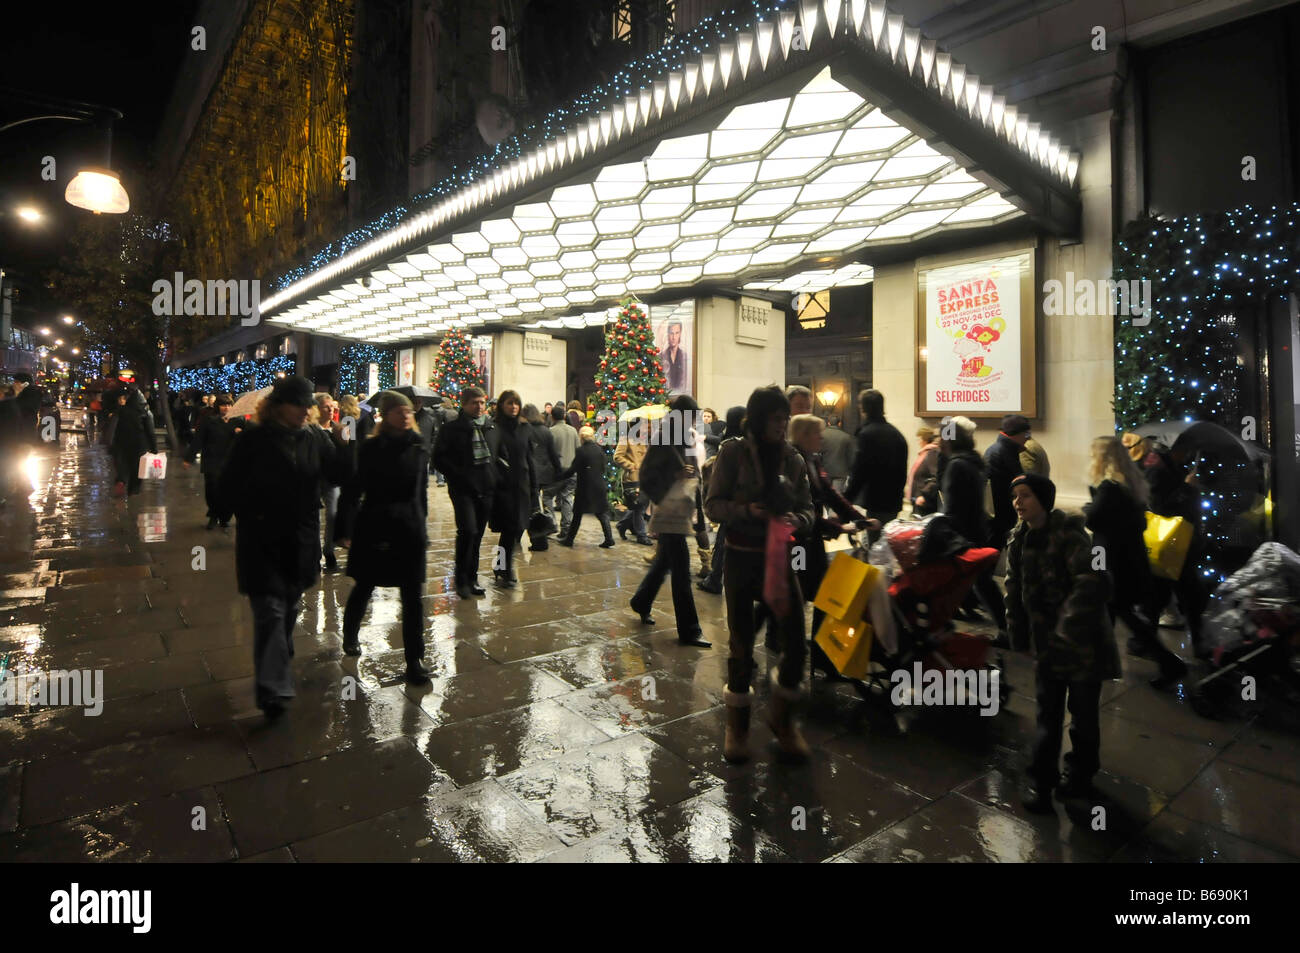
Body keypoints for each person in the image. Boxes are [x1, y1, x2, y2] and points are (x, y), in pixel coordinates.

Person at [216, 375, 352, 717]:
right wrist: (239, 505)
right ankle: (272, 689)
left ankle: (279, 651)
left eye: (309, 405)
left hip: (299, 538)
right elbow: (228, 485)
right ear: (278, 407)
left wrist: (344, 446)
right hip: (261, 540)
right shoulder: (253, 440)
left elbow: (339, 476)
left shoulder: (317, 438)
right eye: (300, 405)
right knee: (271, 612)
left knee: (289, 608)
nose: (307, 411)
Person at [707, 386, 815, 763]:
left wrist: (795, 520)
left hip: (781, 558)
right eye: (775, 418)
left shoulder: (793, 458)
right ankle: (736, 727)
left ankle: (782, 720)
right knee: (740, 644)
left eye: (785, 418)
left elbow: (809, 510)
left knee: (796, 644)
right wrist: (748, 511)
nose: (782, 425)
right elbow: (713, 505)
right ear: (757, 418)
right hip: (741, 557)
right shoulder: (733, 453)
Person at [1005, 473, 1121, 812]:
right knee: (1047, 714)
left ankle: (1080, 777)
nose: (1018, 502)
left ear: (1043, 499)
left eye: (1025, 495)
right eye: (1015, 497)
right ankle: (1041, 781)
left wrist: (1064, 630)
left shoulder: (1072, 535)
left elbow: (1093, 583)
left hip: (1084, 645)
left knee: (1083, 716)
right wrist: (1019, 636)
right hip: (1048, 646)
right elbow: (1014, 592)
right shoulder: (1019, 539)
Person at [334, 391, 431, 683]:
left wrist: (422, 525)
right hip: (375, 526)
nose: (405, 415)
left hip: (410, 529)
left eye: (408, 412)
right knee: (365, 585)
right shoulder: (371, 448)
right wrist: (343, 529)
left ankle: (414, 659)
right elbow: (352, 490)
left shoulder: (418, 446)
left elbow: (420, 491)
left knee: (413, 596)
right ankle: (350, 633)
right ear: (386, 415)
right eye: (398, 411)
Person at [1084, 435, 1187, 690]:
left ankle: (1169, 663)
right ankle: (1100, 660)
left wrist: (1089, 506)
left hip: (1113, 563)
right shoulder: (1131, 482)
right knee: (1112, 611)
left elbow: (1093, 520)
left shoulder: (1109, 487)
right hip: (1129, 560)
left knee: (1122, 613)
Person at [789, 414, 874, 678]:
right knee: (797, 597)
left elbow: (831, 495)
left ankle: (820, 657)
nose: (822, 438)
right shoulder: (794, 462)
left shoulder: (813, 460)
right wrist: (840, 527)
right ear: (803, 435)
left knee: (820, 596)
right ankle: (798, 656)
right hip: (796, 543)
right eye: (817, 433)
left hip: (810, 540)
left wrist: (860, 519)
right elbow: (801, 510)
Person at [630, 395, 710, 648]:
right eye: (691, 414)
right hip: (669, 510)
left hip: (682, 508)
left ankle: (641, 601)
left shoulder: (686, 436)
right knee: (681, 570)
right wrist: (673, 478)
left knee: (664, 563)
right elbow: (647, 476)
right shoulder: (664, 437)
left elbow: (693, 474)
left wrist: (698, 508)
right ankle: (689, 630)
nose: (694, 419)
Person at [939, 415, 1008, 638]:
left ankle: (1008, 628)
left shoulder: (956, 465)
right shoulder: (972, 460)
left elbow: (953, 506)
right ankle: (1008, 627)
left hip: (961, 533)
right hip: (976, 529)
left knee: (969, 582)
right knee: (981, 582)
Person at [434, 386, 499, 598]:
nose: (479, 407)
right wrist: (459, 475)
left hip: (486, 488)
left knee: (478, 535)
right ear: (464, 404)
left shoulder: (491, 427)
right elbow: (438, 459)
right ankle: (461, 579)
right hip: (463, 489)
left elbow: (499, 456)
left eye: (482, 402)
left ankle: (472, 578)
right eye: (475, 403)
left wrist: (496, 477)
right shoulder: (451, 429)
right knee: (468, 532)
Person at [843, 388, 908, 537]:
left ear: (863, 408)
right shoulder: (897, 434)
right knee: (886, 544)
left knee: (876, 548)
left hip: (876, 500)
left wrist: (845, 503)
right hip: (894, 500)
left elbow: (860, 472)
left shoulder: (867, 434)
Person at [489, 390, 536, 588]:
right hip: (504, 486)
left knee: (515, 529)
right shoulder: (494, 427)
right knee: (510, 529)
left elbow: (529, 457)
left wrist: (534, 485)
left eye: (516, 403)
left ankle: (499, 565)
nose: (514, 407)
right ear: (501, 405)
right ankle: (505, 569)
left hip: (522, 485)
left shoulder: (525, 427)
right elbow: (492, 458)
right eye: (510, 403)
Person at [697, 406, 745, 594]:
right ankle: (716, 577)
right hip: (738, 504)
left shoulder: (730, 444)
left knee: (722, 542)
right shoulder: (744, 442)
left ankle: (715, 578)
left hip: (730, 503)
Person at [182, 393, 242, 529]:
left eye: (228, 405)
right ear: (217, 407)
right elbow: (198, 440)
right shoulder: (209, 421)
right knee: (212, 489)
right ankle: (214, 515)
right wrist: (189, 458)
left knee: (229, 491)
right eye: (223, 405)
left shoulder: (238, 421)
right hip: (212, 460)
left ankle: (225, 517)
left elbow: (248, 440)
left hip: (231, 462)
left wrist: (240, 433)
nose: (226, 408)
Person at [557, 426, 616, 548]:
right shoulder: (599, 450)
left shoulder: (581, 451)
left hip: (585, 486)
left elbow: (573, 469)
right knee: (601, 513)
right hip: (599, 485)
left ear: (581, 437)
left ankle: (569, 540)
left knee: (577, 514)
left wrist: (559, 476)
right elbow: (603, 467)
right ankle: (609, 538)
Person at [985, 414, 1031, 547]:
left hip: (996, 517)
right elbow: (1019, 481)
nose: (1027, 439)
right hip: (1001, 517)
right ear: (1017, 434)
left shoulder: (998, 448)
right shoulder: (1005, 452)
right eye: (1026, 434)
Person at [523, 404, 561, 551]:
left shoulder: (525, 430)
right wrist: (558, 471)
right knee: (537, 506)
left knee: (530, 506)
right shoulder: (546, 430)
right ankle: (541, 537)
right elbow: (553, 453)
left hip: (529, 473)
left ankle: (536, 538)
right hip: (544, 473)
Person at [312, 393, 344, 571]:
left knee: (333, 515)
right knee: (314, 519)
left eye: (333, 406)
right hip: (315, 479)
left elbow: (349, 451)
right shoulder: (310, 429)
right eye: (326, 406)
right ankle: (315, 554)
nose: (331, 409)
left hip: (333, 479)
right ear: (317, 408)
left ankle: (329, 550)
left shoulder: (340, 427)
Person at [110, 387, 156, 497]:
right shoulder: (146, 413)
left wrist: (113, 444)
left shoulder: (123, 411)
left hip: (122, 443)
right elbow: (150, 431)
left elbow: (114, 427)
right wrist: (154, 449)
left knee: (124, 465)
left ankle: (121, 480)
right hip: (140, 446)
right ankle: (133, 492)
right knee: (137, 469)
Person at [614, 420, 652, 545]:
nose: (647, 428)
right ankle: (641, 535)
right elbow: (617, 457)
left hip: (645, 477)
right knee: (639, 507)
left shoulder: (646, 441)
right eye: (644, 425)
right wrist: (631, 466)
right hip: (632, 478)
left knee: (639, 506)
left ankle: (622, 525)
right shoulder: (626, 439)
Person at [543, 403, 578, 540]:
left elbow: (547, 453)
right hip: (572, 470)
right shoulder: (573, 430)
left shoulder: (551, 432)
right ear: (564, 416)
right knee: (567, 498)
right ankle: (566, 528)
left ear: (552, 416)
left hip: (556, 472)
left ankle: (551, 524)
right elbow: (578, 449)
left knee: (547, 496)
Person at [906, 424, 941, 516]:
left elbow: (936, 476)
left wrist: (925, 495)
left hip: (924, 500)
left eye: (919, 439)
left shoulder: (932, 452)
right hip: (918, 498)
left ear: (924, 439)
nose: (918, 442)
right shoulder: (924, 453)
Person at [820, 414, 855, 491]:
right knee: (837, 497)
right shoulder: (846, 437)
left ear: (828, 423)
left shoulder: (821, 435)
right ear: (839, 423)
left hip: (825, 471)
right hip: (840, 472)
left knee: (826, 495)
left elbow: (818, 453)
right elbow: (850, 457)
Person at [660, 321, 688, 393]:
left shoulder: (684, 356)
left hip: (681, 396)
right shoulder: (661, 356)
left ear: (680, 334)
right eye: (671, 333)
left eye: (677, 333)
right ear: (668, 334)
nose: (674, 337)